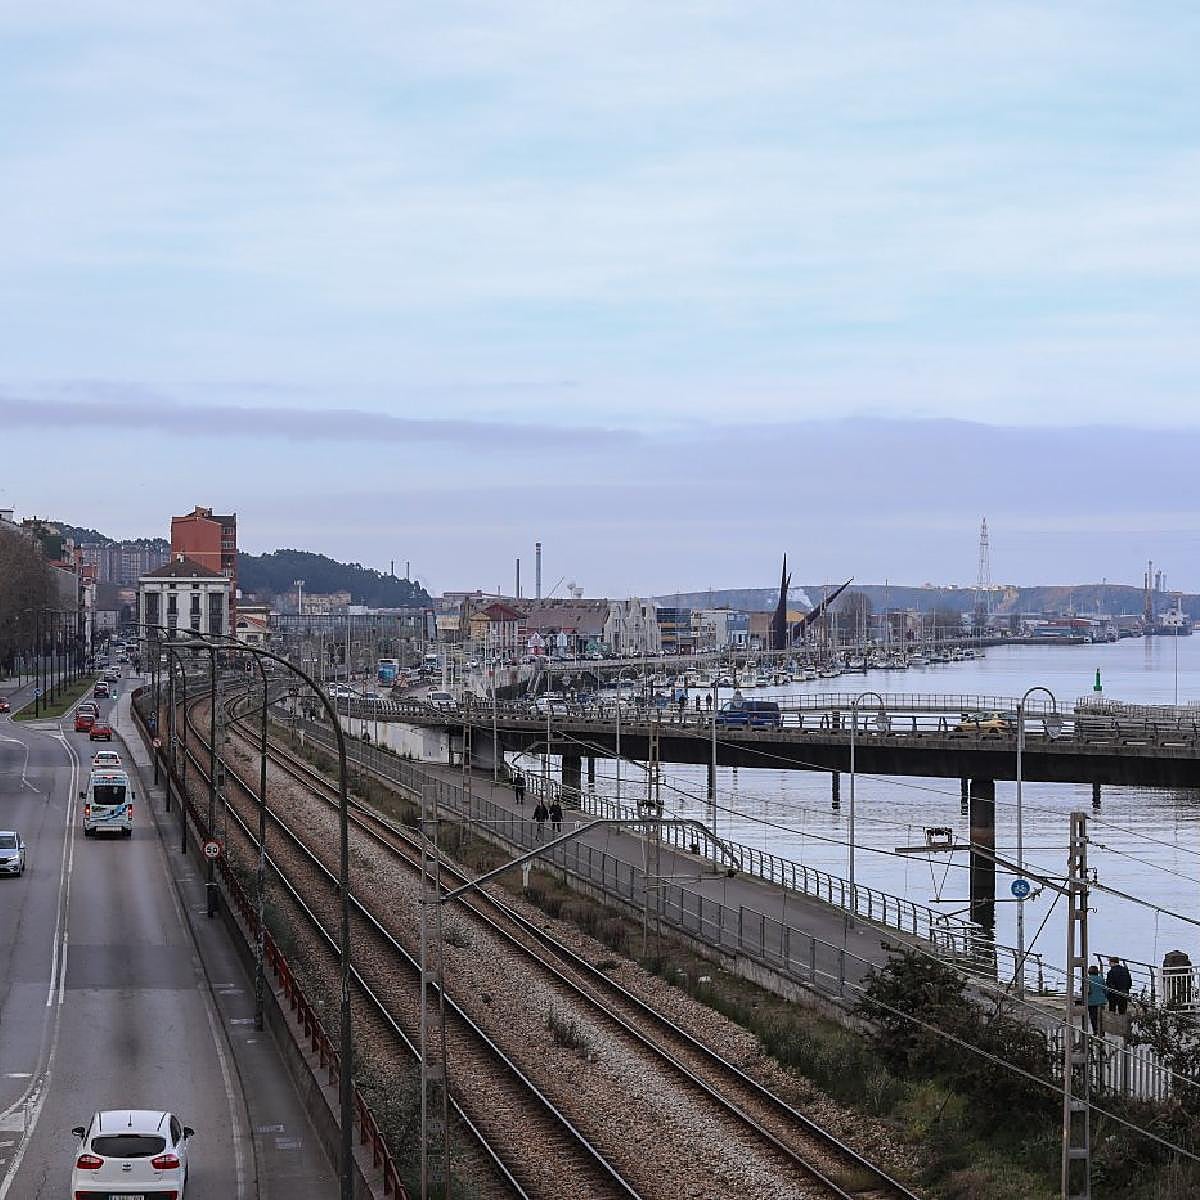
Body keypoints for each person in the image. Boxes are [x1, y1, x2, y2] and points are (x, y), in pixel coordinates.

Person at [1086, 964, 1106, 1034]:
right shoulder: (1101, 979)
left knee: (1093, 1017)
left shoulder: (1087, 979)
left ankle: (1095, 1031)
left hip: (1091, 1001)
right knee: (1101, 1017)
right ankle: (1102, 1031)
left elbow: (1085, 991)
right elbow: (1105, 990)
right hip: (1101, 1001)